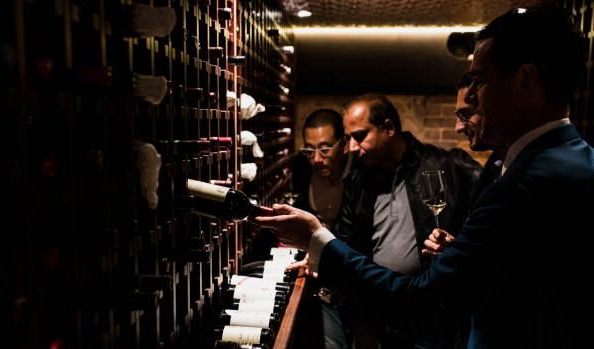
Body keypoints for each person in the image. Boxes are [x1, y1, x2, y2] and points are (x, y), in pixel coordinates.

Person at [251, 5, 594, 348]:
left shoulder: (525, 186)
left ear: (524, 81)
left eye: (479, 80)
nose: (471, 98)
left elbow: (423, 307)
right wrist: (458, 253)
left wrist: (317, 239)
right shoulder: (520, 162)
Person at [330, 93, 481, 349]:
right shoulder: (357, 182)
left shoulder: (448, 165)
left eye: (360, 136)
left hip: (434, 320)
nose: (352, 148)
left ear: (388, 128)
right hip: (379, 318)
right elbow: (345, 239)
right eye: (348, 139)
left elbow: (490, 219)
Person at [288, 108, 353, 349]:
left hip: (351, 274)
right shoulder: (302, 167)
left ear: (344, 145)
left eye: (325, 150)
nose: (316, 158)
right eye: (309, 150)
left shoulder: (359, 175)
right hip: (318, 276)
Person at [422, 72, 507, 257]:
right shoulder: (496, 164)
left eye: (465, 114)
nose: (458, 128)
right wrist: (456, 247)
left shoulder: (530, 169)